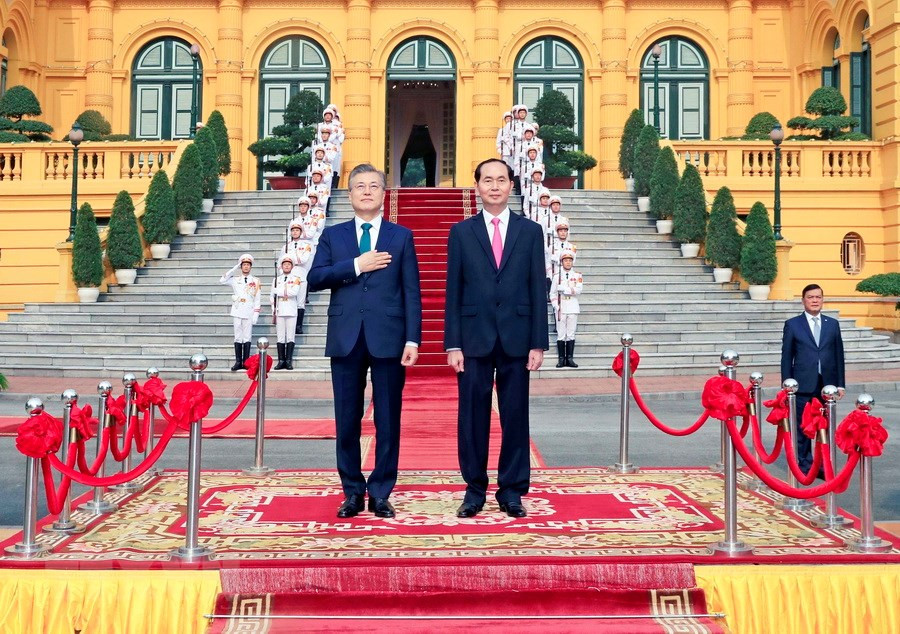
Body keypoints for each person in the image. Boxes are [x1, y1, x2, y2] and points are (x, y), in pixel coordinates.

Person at [308, 163, 422, 519]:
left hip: (388, 337)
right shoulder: (334, 235)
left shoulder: (400, 236)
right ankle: (353, 492)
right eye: (360, 186)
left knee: (389, 418)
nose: (367, 191)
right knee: (347, 419)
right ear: (350, 194)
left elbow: (411, 292)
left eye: (374, 185)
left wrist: (413, 339)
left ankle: (382, 491)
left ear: (384, 193)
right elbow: (315, 277)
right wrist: (358, 264)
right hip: (346, 338)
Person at [444, 158, 549, 519]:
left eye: (500, 180)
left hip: (518, 339)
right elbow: (453, 291)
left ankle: (512, 490)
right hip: (473, 338)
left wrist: (539, 342)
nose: (494, 186)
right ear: (477, 187)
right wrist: (452, 344)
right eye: (487, 180)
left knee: (516, 416)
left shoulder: (531, 231)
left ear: (510, 185)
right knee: (472, 417)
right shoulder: (461, 232)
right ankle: (474, 490)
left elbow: (539, 288)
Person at [780, 283, 845, 472]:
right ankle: (804, 463)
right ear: (803, 301)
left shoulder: (832, 324)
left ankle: (823, 464)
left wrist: (840, 384)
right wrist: (787, 385)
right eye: (811, 297)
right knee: (802, 427)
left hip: (827, 385)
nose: (815, 300)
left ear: (822, 300)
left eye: (818, 297)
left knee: (823, 426)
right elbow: (786, 357)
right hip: (802, 385)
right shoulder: (793, 324)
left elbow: (838, 355)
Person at [220, 254, 261, 371]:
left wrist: (256, 313)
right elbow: (222, 280)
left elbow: (257, 298)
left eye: (248, 265)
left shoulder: (256, 281)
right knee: (238, 336)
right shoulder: (235, 280)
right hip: (237, 310)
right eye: (244, 265)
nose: (246, 267)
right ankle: (238, 361)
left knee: (247, 337)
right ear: (241, 266)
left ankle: (246, 362)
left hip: (249, 310)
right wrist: (234, 268)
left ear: (251, 267)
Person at [270, 254, 304, 370]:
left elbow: (293, 292)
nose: (287, 266)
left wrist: (279, 291)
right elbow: (271, 296)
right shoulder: (276, 280)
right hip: (280, 310)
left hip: (291, 310)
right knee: (280, 337)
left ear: (292, 266)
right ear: (281, 266)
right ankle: (281, 360)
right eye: (285, 264)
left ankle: (288, 361)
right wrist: (273, 310)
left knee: (290, 337)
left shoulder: (296, 279)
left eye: (289, 264)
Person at [550, 250, 582, 369]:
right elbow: (552, 294)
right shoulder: (557, 277)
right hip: (561, 307)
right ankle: (561, 359)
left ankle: (569, 358)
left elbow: (578, 290)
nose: (568, 263)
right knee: (561, 334)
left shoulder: (577, 276)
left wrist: (564, 289)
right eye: (565, 260)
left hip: (572, 306)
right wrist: (555, 305)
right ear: (562, 262)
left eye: (570, 260)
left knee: (571, 333)